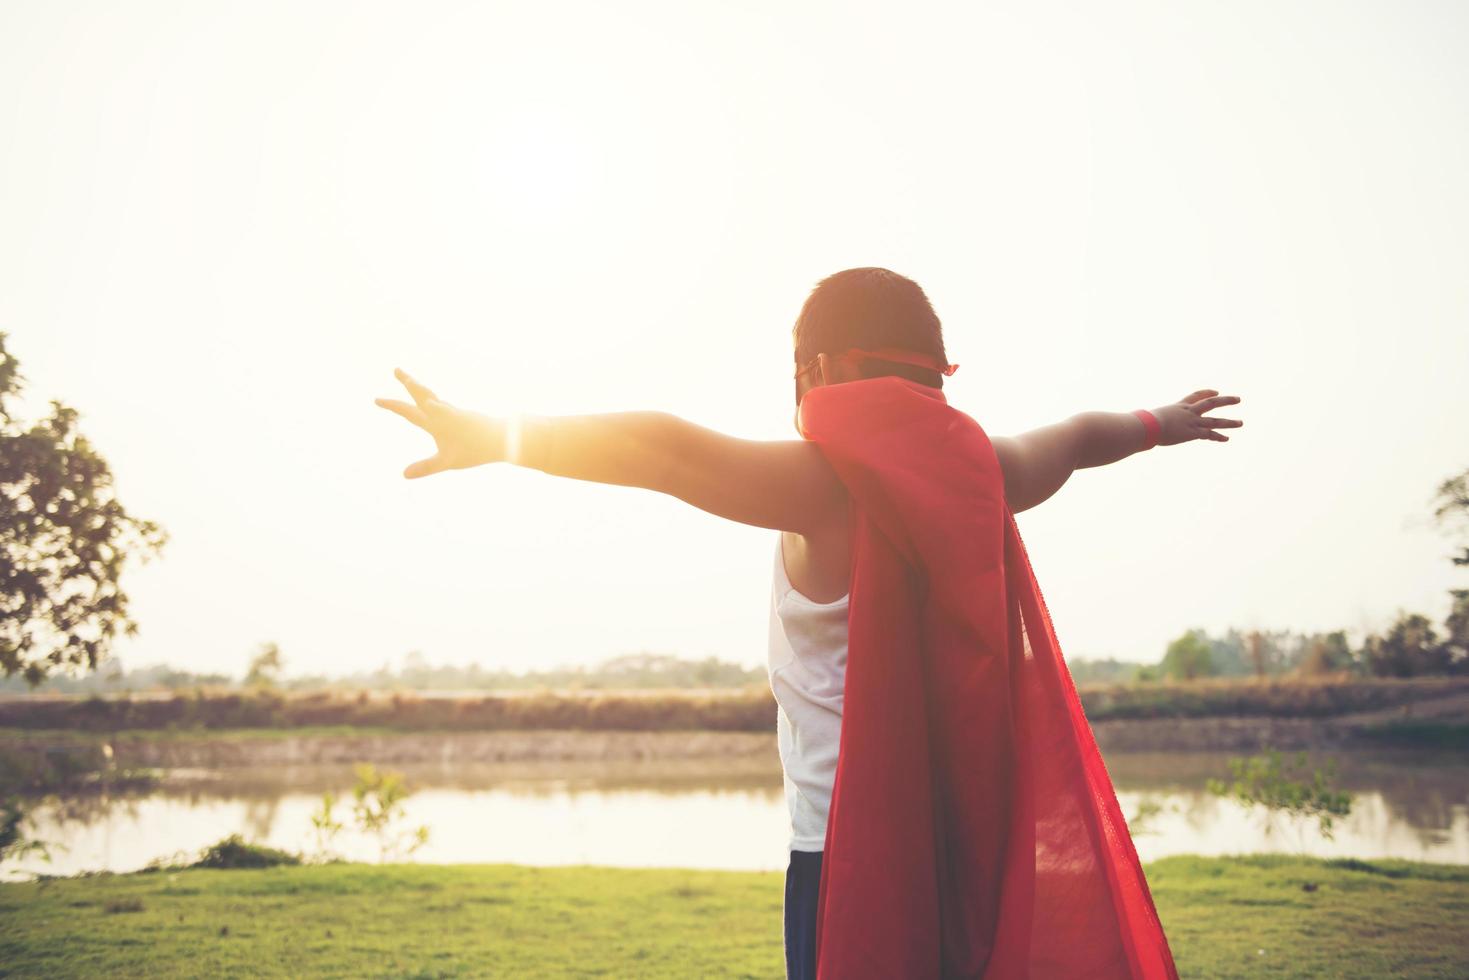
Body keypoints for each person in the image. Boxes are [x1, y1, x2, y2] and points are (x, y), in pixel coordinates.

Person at [374, 267, 1241, 978]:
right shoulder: (987, 470)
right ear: (938, 375)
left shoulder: (822, 485)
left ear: (817, 374)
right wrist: (1156, 425)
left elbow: (665, 451)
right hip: (965, 843)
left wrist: (496, 436)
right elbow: (1075, 438)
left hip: (845, 857)